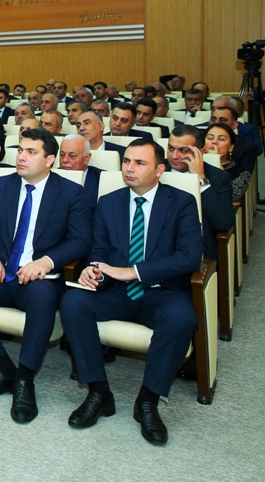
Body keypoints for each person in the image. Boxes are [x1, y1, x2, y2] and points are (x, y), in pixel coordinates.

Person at [61, 139, 202, 445]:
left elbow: (189, 257)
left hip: (161, 291)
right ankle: (99, 392)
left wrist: (135, 271)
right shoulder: (109, 202)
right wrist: (93, 268)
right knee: (73, 302)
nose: (130, 168)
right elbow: (99, 250)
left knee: (180, 319)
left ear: (160, 170)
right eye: (126, 161)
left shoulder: (181, 202)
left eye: (140, 163)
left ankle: (148, 400)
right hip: (116, 291)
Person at [0, 128, 91, 423]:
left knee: (42, 302)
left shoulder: (71, 192)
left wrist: (47, 262)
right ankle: (2, 369)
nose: (21, 156)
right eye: (20, 150)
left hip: (39, 279)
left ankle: (25, 379)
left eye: (31, 152)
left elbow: (80, 240)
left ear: (50, 159)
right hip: (2, 272)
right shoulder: (3, 185)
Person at [166, 126, 234, 260]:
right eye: (171, 148)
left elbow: (223, 222)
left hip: (195, 246)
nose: (174, 156)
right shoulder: (156, 171)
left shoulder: (218, 178)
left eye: (183, 150)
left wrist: (201, 179)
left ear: (201, 152)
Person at [58, 134, 101, 215]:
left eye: (72, 156)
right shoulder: (50, 176)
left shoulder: (102, 179)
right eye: (62, 155)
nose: (65, 160)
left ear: (86, 158)